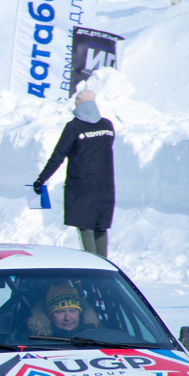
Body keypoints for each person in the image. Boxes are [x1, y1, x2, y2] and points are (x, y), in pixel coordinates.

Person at [32, 90, 115, 258]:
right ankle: (104, 268)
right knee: (100, 226)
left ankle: (92, 267)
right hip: (105, 185)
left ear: (78, 105)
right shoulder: (107, 126)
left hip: (81, 185)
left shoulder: (74, 127)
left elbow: (58, 155)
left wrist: (41, 179)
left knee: (85, 226)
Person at [26, 283, 100, 337]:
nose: (67, 318)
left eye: (72, 311)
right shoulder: (29, 339)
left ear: (79, 313)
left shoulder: (99, 335)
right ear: (49, 316)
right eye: (60, 312)